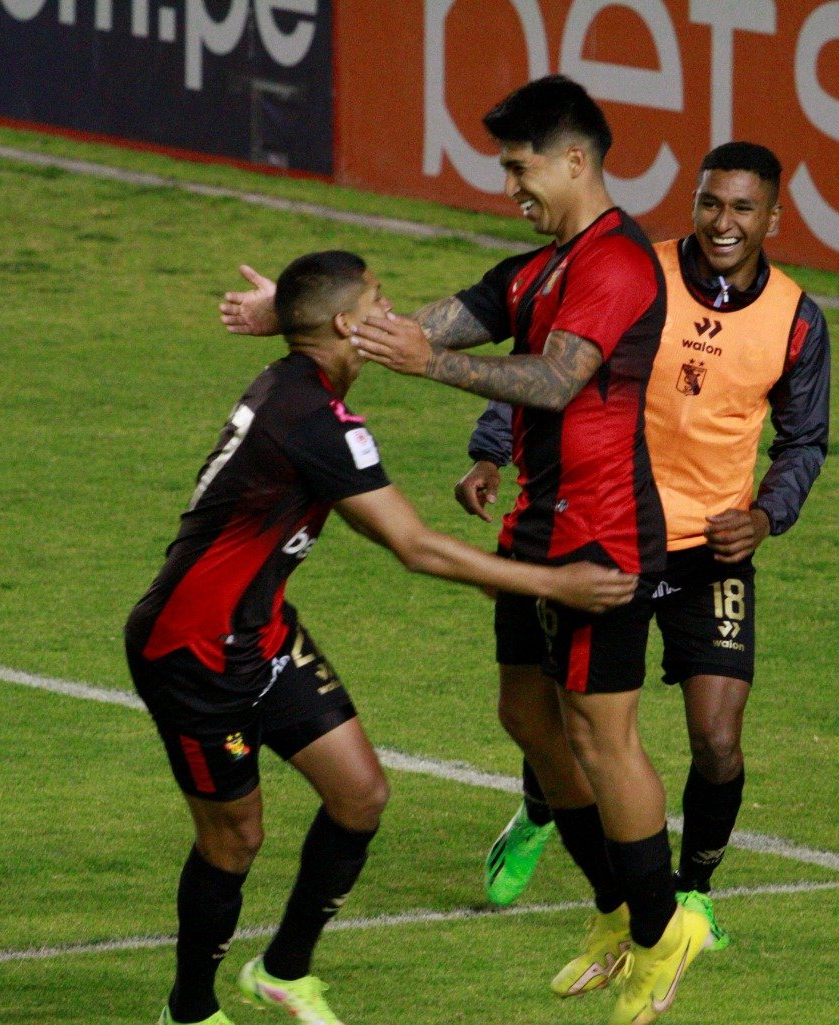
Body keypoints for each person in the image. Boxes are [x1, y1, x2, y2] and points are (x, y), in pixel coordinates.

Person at [222, 76, 709, 1025]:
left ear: (575, 158)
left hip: (601, 535)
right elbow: (408, 324)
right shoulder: (534, 270)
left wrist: (431, 365)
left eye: (520, 167)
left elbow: (559, 380)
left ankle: (662, 931)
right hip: (536, 524)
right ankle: (614, 909)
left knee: (603, 738)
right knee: (527, 716)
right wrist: (290, 309)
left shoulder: (617, 265)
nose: (511, 188)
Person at [126, 249, 638, 1025]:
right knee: (236, 840)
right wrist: (558, 583)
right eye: (378, 299)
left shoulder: (298, 387)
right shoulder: (313, 421)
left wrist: (285, 311)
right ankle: (188, 1011)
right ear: (344, 324)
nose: (392, 309)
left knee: (360, 794)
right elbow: (416, 547)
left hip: (259, 632)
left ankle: (283, 971)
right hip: (192, 652)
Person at [461, 142, 831, 950]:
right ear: (692, 202)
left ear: (773, 216)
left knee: (719, 738)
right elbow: (552, 368)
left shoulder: (798, 318)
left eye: (742, 208)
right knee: (572, 721)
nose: (722, 222)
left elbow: (805, 443)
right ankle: (542, 806)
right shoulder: (633, 273)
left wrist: (766, 516)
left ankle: (690, 895)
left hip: (711, 547)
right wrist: (490, 449)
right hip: (607, 527)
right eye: (710, 203)